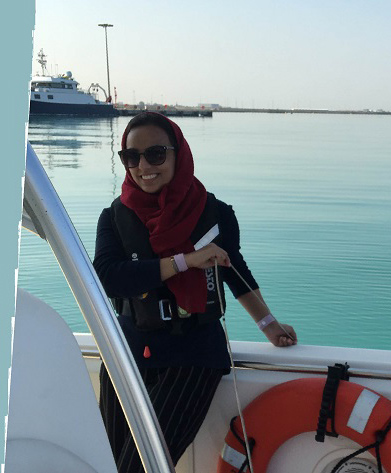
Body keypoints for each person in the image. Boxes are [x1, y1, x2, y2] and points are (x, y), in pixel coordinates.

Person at [92, 112, 298, 472]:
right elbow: (108, 278)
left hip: (193, 355)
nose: (143, 166)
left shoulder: (215, 214)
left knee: (140, 467)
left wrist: (270, 325)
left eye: (156, 154)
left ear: (178, 153)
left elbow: (237, 275)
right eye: (131, 157)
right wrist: (184, 262)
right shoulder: (115, 217)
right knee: (108, 462)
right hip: (127, 356)